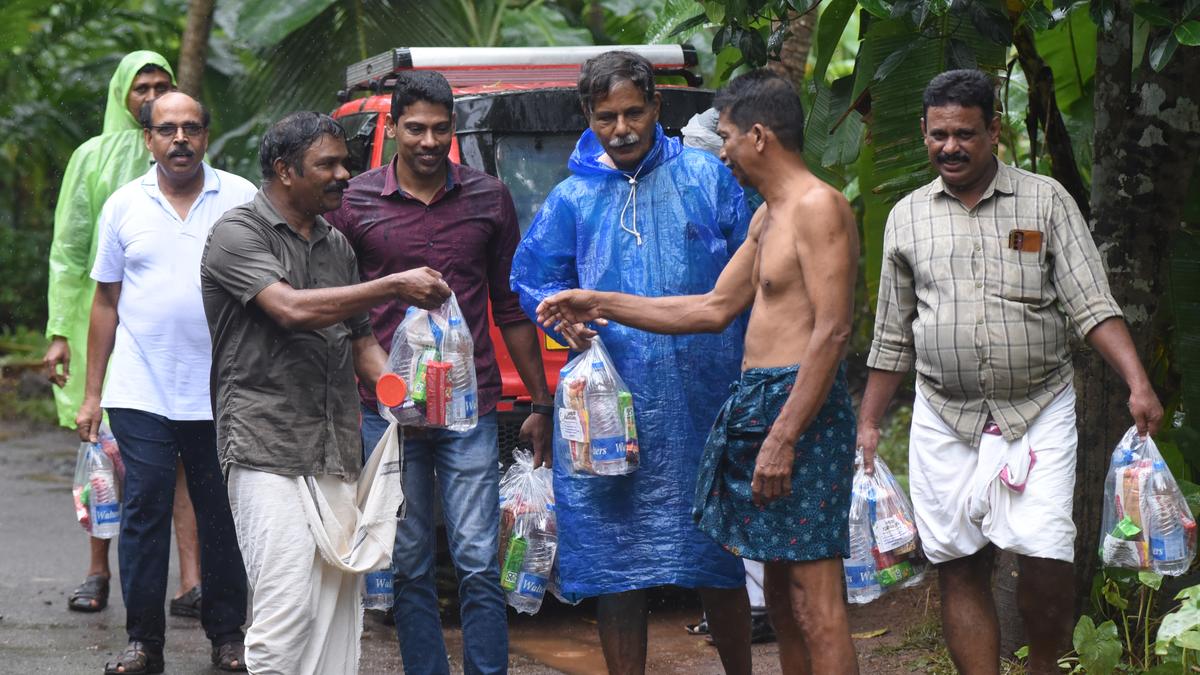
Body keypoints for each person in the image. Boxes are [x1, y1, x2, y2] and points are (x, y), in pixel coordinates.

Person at [535, 69, 861, 674]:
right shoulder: (770, 216)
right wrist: (599, 301)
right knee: (786, 609)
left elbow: (834, 331)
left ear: (759, 136)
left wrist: (784, 436)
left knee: (815, 605)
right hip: (760, 403)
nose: (723, 149)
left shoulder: (819, 207)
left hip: (798, 406)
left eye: (729, 135)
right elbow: (711, 309)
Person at [856, 69, 1164, 675]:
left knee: (1047, 551)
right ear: (923, 133)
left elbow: (1092, 305)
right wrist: (868, 424)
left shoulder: (1045, 201)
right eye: (938, 134)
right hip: (943, 415)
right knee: (957, 562)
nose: (951, 146)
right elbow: (892, 335)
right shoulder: (906, 218)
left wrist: (1139, 382)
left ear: (993, 131)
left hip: (1038, 409)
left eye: (965, 133)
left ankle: (1044, 667)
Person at [511, 50, 754, 675]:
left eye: (632, 113)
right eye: (605, 117)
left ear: (656, 108)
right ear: (588, 118)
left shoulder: (708, 177)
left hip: (707, 397)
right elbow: (534, 279)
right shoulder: (571, 197)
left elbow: (753, 275)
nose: (621, 129)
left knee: (719, 552)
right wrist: (558, 314)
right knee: (619, 560)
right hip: (611, 405)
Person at [201, 111, 452, 675]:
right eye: (329, 165)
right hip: (265, 446)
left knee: (334, 611)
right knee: (286, 610)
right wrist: (393, 283)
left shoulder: (337, 245)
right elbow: (288, 310)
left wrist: (403, 397)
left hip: (335, 448)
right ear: (285, 171)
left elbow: (361, 343)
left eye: (346, 162)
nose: (345, 174)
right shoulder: (237, 233)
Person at [327, 70, 552, 674]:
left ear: (454, 129)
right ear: (394, 128)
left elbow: (509, 307)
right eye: (415, 128)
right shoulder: (355, 203)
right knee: (408, 559)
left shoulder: (488, 197)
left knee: (478, 558)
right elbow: (338, 308)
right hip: (389, 411)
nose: (428, 141)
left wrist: (540, 402)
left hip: (469, 408)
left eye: (440, 128)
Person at [76, 91, 254, 674]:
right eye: (167, 129)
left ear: (206, 135)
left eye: (192, 128)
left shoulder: (241, 198)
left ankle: (228, 636)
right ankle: (143, 644)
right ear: (149, 139)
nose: (180, 139)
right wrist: (93, 394)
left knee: (220, 515)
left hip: (219, 391)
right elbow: (105, 302)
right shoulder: (124, 205)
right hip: (141, 389)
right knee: (144, 513)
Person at [43, 51, 204, 619]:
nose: (151, 94)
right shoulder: (90, 158)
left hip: (173, 337)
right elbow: (67, 251)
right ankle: (97, 572)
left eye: (162, 84)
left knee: (182, 459)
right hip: (103, 327)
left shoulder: (185, 156)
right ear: (121, 94)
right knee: (105, 455)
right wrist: (61, 332)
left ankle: (191, 581)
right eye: (141, 87)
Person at [680, 108, 774, 647]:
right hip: (725, 365)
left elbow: (720, 306)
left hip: (755, 370)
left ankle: (759, 605)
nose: (712, 162)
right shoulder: (751, 208)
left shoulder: (760, 209)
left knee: (751, 486)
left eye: (720, 148)